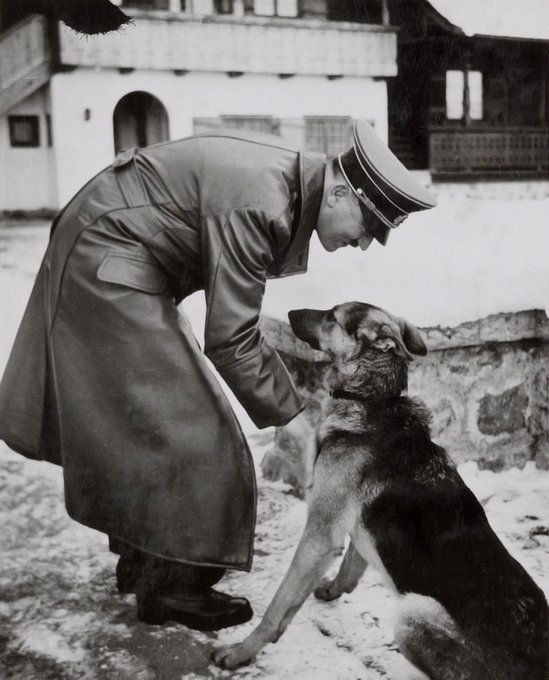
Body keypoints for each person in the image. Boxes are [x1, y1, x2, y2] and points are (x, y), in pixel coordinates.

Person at [0, 120, 437, 631]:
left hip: (111, 250)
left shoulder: (285, 187)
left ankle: (147, 562)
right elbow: (231, 337)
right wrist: (292, 418)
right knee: (199, 432)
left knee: (145, 424)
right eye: (367, 226)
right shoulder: (264, 204)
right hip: (107, 259)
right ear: (340, 191)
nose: (363, 244)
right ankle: (172, 589)